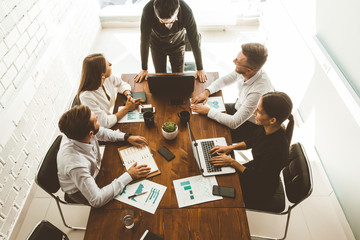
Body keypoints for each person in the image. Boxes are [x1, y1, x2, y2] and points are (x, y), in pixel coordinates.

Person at [57, 105, 151, 208]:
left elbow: (101, 132)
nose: (97, 116)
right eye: (95, 120)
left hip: (93, 171)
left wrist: (126, 137)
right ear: (90, 134)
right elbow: (97, 200)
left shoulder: (78, 132)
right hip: (78, 190)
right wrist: (129, 175)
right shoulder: (75, 164)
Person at [209, 92, 294, 203]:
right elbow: (252, 141)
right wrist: (230, 148)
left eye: (259, 111)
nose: (254, 113)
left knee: (216, 188)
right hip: (255, 170)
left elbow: (257, 179)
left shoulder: (277, 150)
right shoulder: (267, 127)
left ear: (272, 120)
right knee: (217, 173)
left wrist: (232, 162)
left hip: (259, 188)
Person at [191, 43, 274, 142]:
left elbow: (234, 123)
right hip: (238, 106)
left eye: (237, 62)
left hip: (248, 124)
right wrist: (207, 91)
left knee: (205, 134)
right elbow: (225, 80)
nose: (233, 61)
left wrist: (208, 111)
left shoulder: (258, 93)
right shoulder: (248, 70)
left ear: (248, 71)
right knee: (198, 116)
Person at [134, 0, 207, 83]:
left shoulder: (187, 11)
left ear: (178, 9)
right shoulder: (147, 10)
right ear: (154, 8)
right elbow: (144, 40)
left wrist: (200, 68)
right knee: (160, 77)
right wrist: (144, 68)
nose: (166, 25)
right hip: (156, 45)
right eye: (162, 21)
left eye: (171, 21)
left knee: (179, 77)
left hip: (178, 44)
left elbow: (194, 39)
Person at [77, 53, 143, 128]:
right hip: (103, 131)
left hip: (112, 117)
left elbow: (121, 83)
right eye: (107, 64)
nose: (111, 64)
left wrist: (128, 95)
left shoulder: (105, 78)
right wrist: (127, 108)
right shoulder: (86, 97)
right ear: (102, 74)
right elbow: (104, 123)